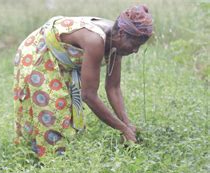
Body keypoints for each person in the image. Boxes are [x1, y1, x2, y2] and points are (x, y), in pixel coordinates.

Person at [13, 5, 153, 157]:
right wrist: (122, 129)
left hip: (64, 61)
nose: (135, 50)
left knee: (68, 112)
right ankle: (45, 160)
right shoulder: (95, 41)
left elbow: (113, 87)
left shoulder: (116, 43)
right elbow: (88, 95)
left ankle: (58, 156)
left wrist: (127, 123)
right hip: (38, 52)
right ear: (121, 33)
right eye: (134, 44)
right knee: (53, 110)